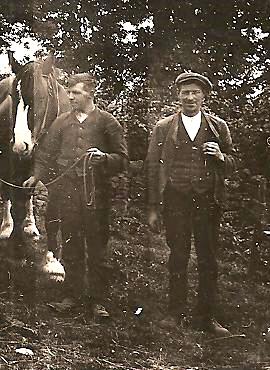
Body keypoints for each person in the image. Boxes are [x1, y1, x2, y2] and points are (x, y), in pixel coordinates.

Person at [24, 73, 128, 318]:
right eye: (69, 92)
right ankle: (71, 296)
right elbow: (46, 154)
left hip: (96, 195)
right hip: (67, 195)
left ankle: (96, 300)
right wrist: (35, 176)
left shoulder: (107, 122)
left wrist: (104, 158)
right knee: (70, 243)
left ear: (90, 94)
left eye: (76, 93)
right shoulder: (61, 122)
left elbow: (122, 159)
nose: (70, 97)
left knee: (96, 246)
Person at [145, 71, 236, 336]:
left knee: (208, 259)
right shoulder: (164, 127)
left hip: (208, 201)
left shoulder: (218, 127)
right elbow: (152, 168)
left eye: (195, 92)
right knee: (178, 255)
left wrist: (220, 156)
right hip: (176, 199)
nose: (190, 97)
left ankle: (207, 317)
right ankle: (175, 312)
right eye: (185, 92)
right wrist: (152, 207)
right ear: (178, 96)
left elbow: (233, 163)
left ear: (204, 96)